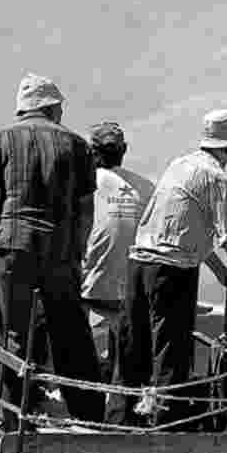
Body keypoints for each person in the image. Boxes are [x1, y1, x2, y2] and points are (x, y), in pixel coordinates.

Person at [118, 108, 227, 427]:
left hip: (140, 263)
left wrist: (221, 273)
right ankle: (169, 426)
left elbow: (188, 228)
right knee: (171, 348)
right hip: (172, 271)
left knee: (136, 342)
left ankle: (122, 417)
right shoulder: (218, 179)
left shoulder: (180, 165)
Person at [0, 73, 104, 430]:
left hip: (12, 247)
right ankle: (90, 416)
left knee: (12, 333)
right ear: (49, 107)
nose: (61, 112)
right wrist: (78, 251)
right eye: (59, 106)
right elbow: (86, 208)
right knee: (71, 332)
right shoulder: (77, 146)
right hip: (60, 252)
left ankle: (17, 417)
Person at [80, 121, 154, 383]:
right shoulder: (147, 187)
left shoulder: (81, 182)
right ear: (125, 150)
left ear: (92, 151)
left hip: (88, 286)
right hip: (132, 290)